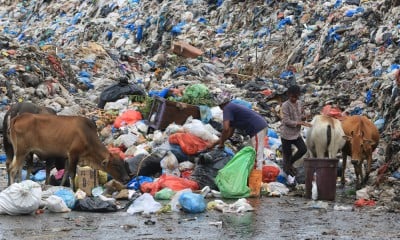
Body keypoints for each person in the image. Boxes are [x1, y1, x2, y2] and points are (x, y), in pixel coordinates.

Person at [211, 91, 268, 170]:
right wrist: (215, 143)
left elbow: (226, 128)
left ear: (221, 104)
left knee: (257, 156)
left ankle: (257, 179)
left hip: (257, 128)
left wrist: (220, 144)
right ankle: (252, 174)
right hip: (259, 127)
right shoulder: (232, 108)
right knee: (250, 153)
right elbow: (229, 134)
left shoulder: (227, 108)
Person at [280, 85, 312, 176]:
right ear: (289, 95)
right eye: (292, 97)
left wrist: (305, 118)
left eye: (296, 96)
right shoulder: (285, 105)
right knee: (287, 154)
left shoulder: (299, 103)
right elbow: (286, 121)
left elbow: (299, 116)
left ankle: (289, 164)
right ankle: (288, 172)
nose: (294, 98)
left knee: (303, 149)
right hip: (286, 134)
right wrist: (299, 123)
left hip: (296, 134)